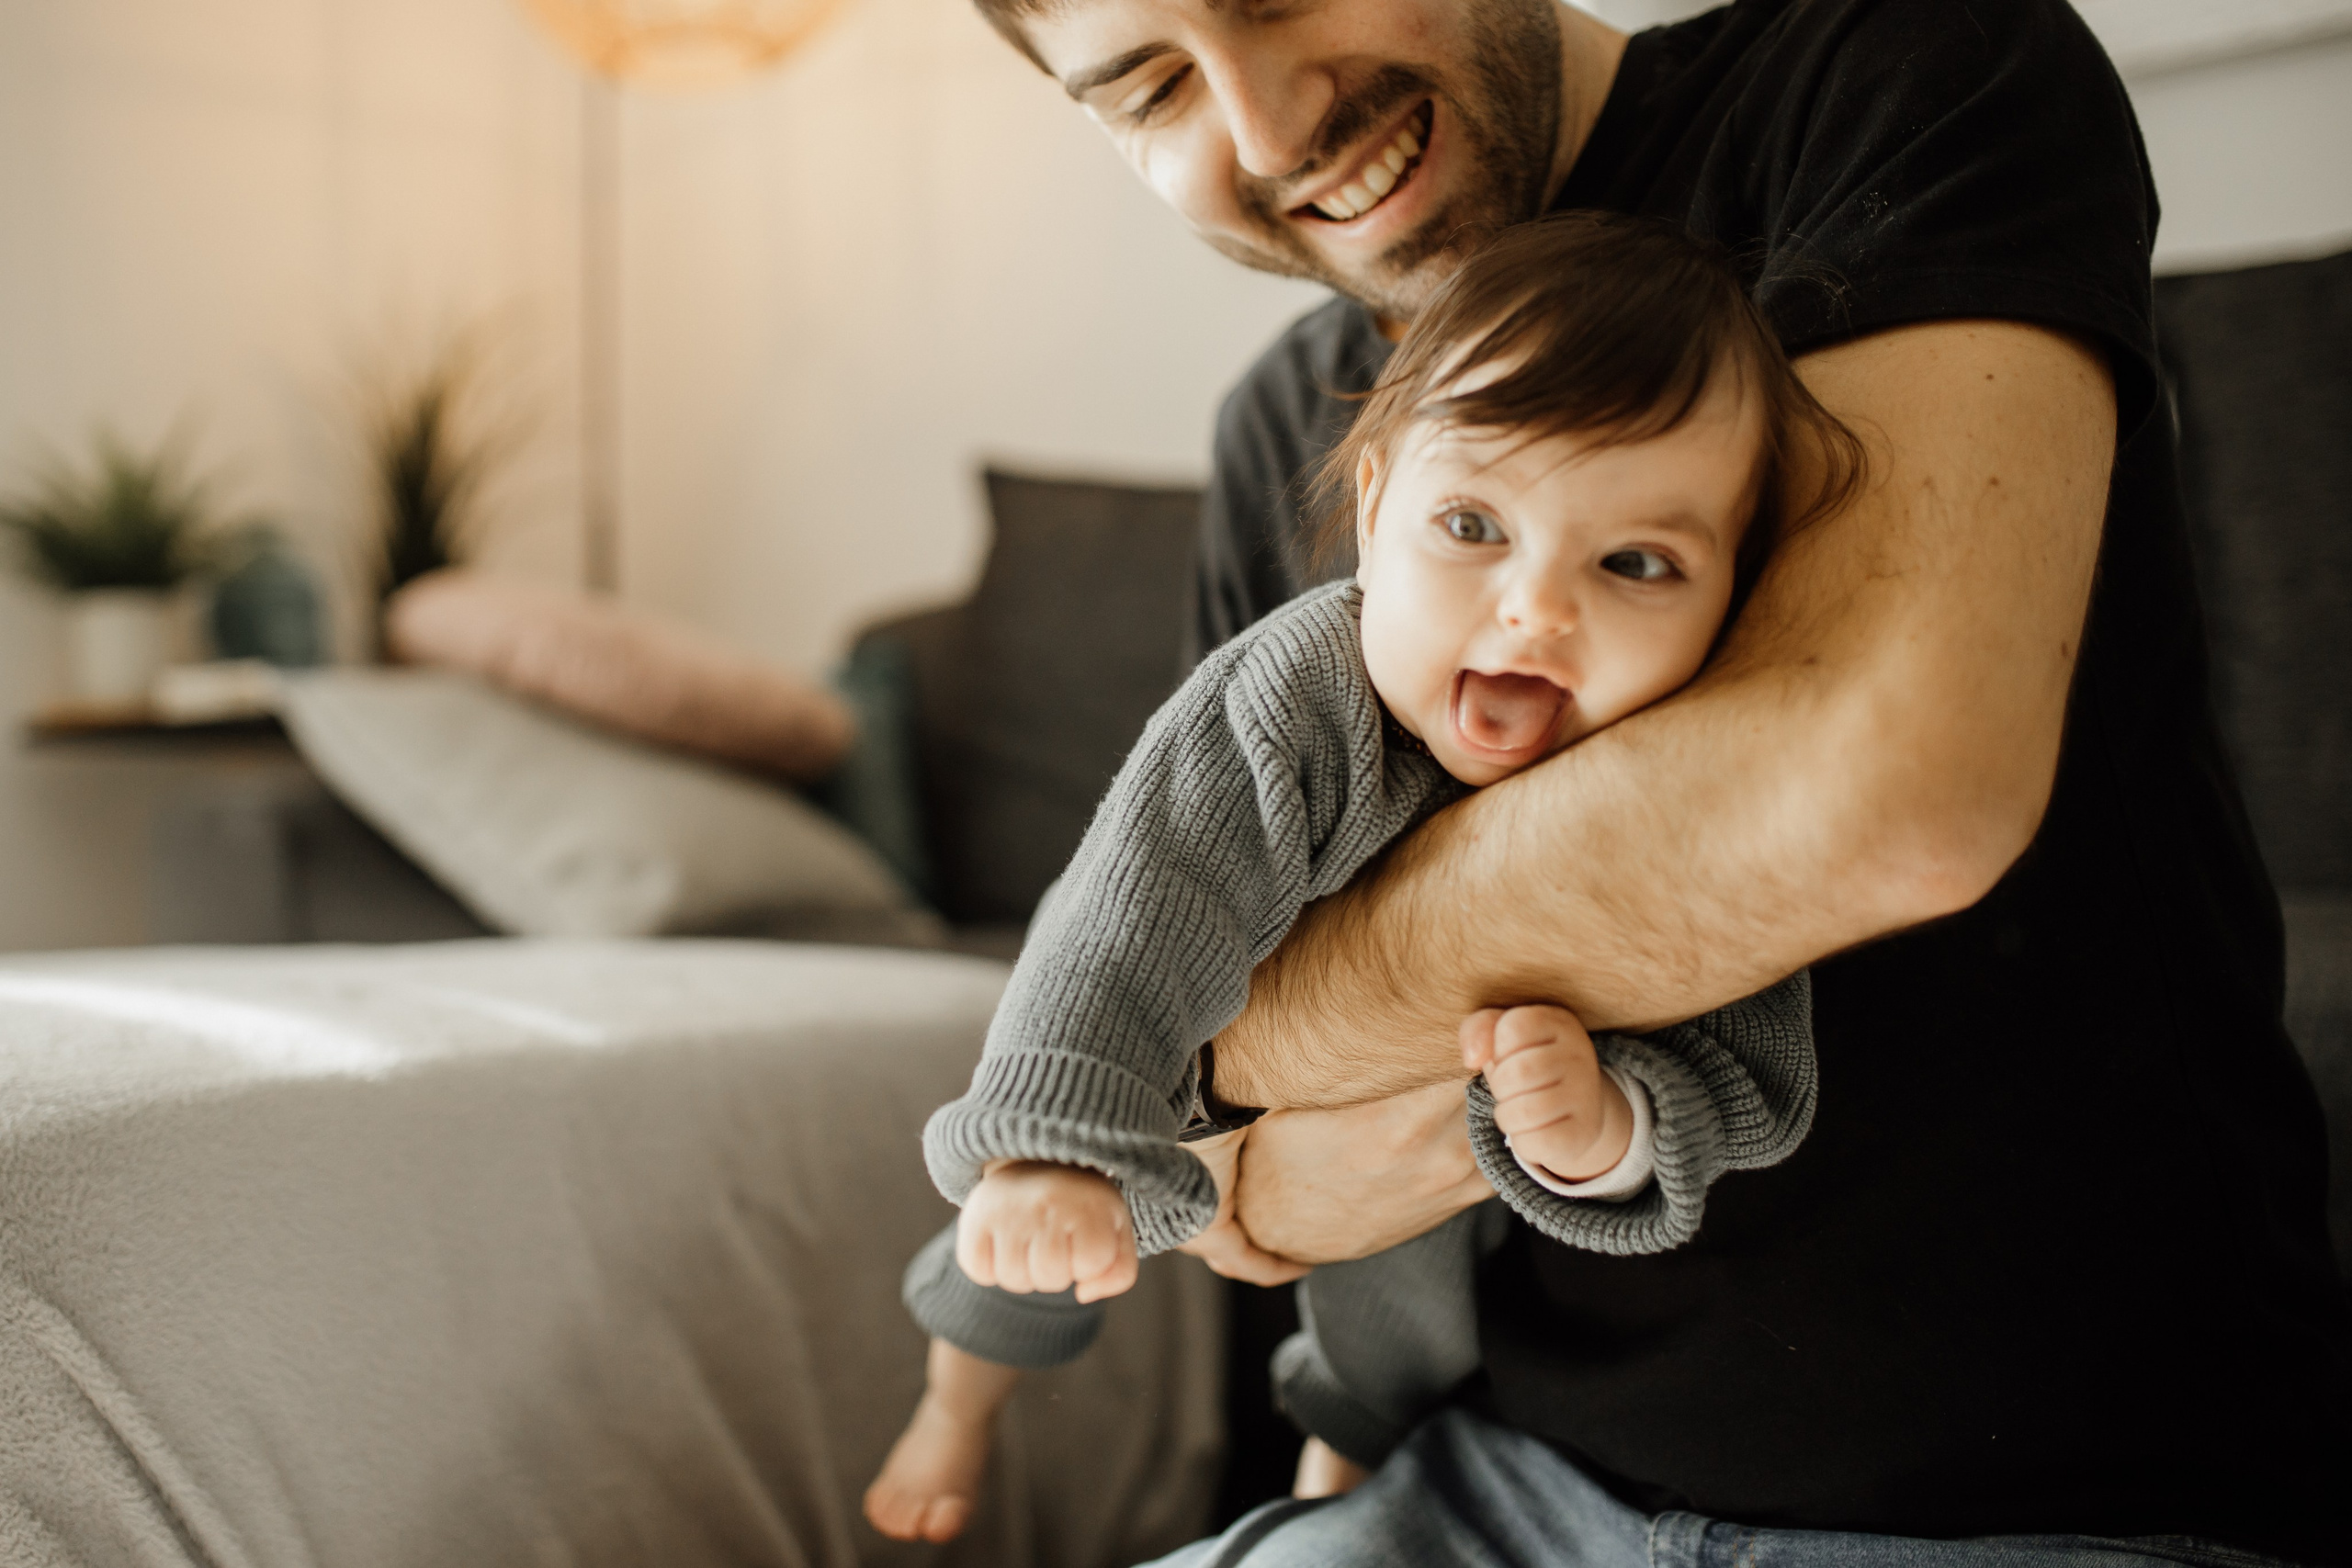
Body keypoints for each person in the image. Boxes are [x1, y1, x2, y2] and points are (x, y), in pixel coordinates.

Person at [962, 0, 2352, 1563]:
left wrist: (1251, 1046)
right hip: (1500, 1489)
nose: (1273, 131)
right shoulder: (1280, 427)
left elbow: (1878, 800)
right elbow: (1221, 1200)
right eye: (1151, 85)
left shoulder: (1906, 72)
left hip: (2059, 1504)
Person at [863, 214, 1856, 1546]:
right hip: (1173, 1004)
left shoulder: (1689, 776)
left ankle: (1340, 1469)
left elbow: (1750, 1063)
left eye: (1636, 564)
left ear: (1735, 592)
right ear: (1376, 505)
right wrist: (1046, 1146)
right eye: (1472, 524)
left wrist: (1615, 1127)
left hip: (1426, 1165)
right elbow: (1130, 916)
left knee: (1399, 1333)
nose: (1538, 608)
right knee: (1032, 1240)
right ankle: (956, 1404)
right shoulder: (1299, 697)